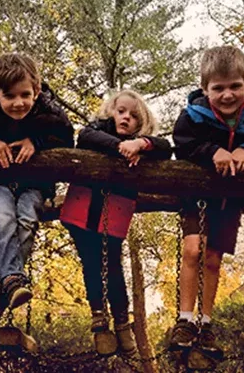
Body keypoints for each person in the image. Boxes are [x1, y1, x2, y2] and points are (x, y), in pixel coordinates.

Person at [170, 46, 244, 352]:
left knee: (213, 259)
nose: (227, 95)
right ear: (205, 88)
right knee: (193, 250)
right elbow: (184, 144)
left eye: (235, 87)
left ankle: (205, 321)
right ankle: (185, 318)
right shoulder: (193, 116)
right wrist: (211, 152)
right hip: (198, 196)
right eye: (218, 88)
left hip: (230, 200)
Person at [0, 53, 74, 317]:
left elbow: (66, 139)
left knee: (27, 219)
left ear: (37, 90)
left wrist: (37, 142)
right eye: (9, 96)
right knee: (2, 217)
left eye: (25, 95)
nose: (18, 103)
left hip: (35, 183)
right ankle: (13, 279)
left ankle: (2, 282)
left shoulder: (51, 113)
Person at [60, 89, 171, 357]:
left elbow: (167, 149)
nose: (125, 118)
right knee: (90, 262)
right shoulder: (96, 131)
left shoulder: (142, 143)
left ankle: (122, 322)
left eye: (133, 116)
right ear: (111, 111)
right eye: (121, 111)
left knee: (112, 265)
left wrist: (140, 145)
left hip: (115, 209)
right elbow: (85, 136)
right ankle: (99, 319)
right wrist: (119, 147)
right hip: (83, 206)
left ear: (140, 123)